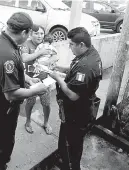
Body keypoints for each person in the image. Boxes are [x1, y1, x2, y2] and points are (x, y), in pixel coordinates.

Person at [0, 12, 48, 170]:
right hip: (3, 105)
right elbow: (11, 94)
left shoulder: (4, 40)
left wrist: (27, 79)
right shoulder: (7, 54)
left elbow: (16, 68)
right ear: (25, 32)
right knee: (4, 142)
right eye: (30, 33)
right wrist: (37, 90)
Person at [49, 27, 102, 170]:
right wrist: (61, 68)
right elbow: (75, 67)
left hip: (76, 114)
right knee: (68, 142)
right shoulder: (89, 53)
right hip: (77, 111)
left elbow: (73, 95)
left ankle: (70, 166)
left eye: (71, 44)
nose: (69, 47)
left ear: (81, 45)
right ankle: (65, 161)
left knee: (71, 146)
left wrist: (57, 79)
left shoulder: (86, 67)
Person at [21, 26, 55, 135]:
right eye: (36, 33)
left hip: (44, 79)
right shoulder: (26, 44)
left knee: (46, 103)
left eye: (41, 33)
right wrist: (40, 52)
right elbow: (25, 58)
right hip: (31, 80)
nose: (39, 36)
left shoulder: (46, 44)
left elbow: (55, 56)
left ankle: (46, 123)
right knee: (30, 102)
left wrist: (44, 63)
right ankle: (27, 122)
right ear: (31, 34)